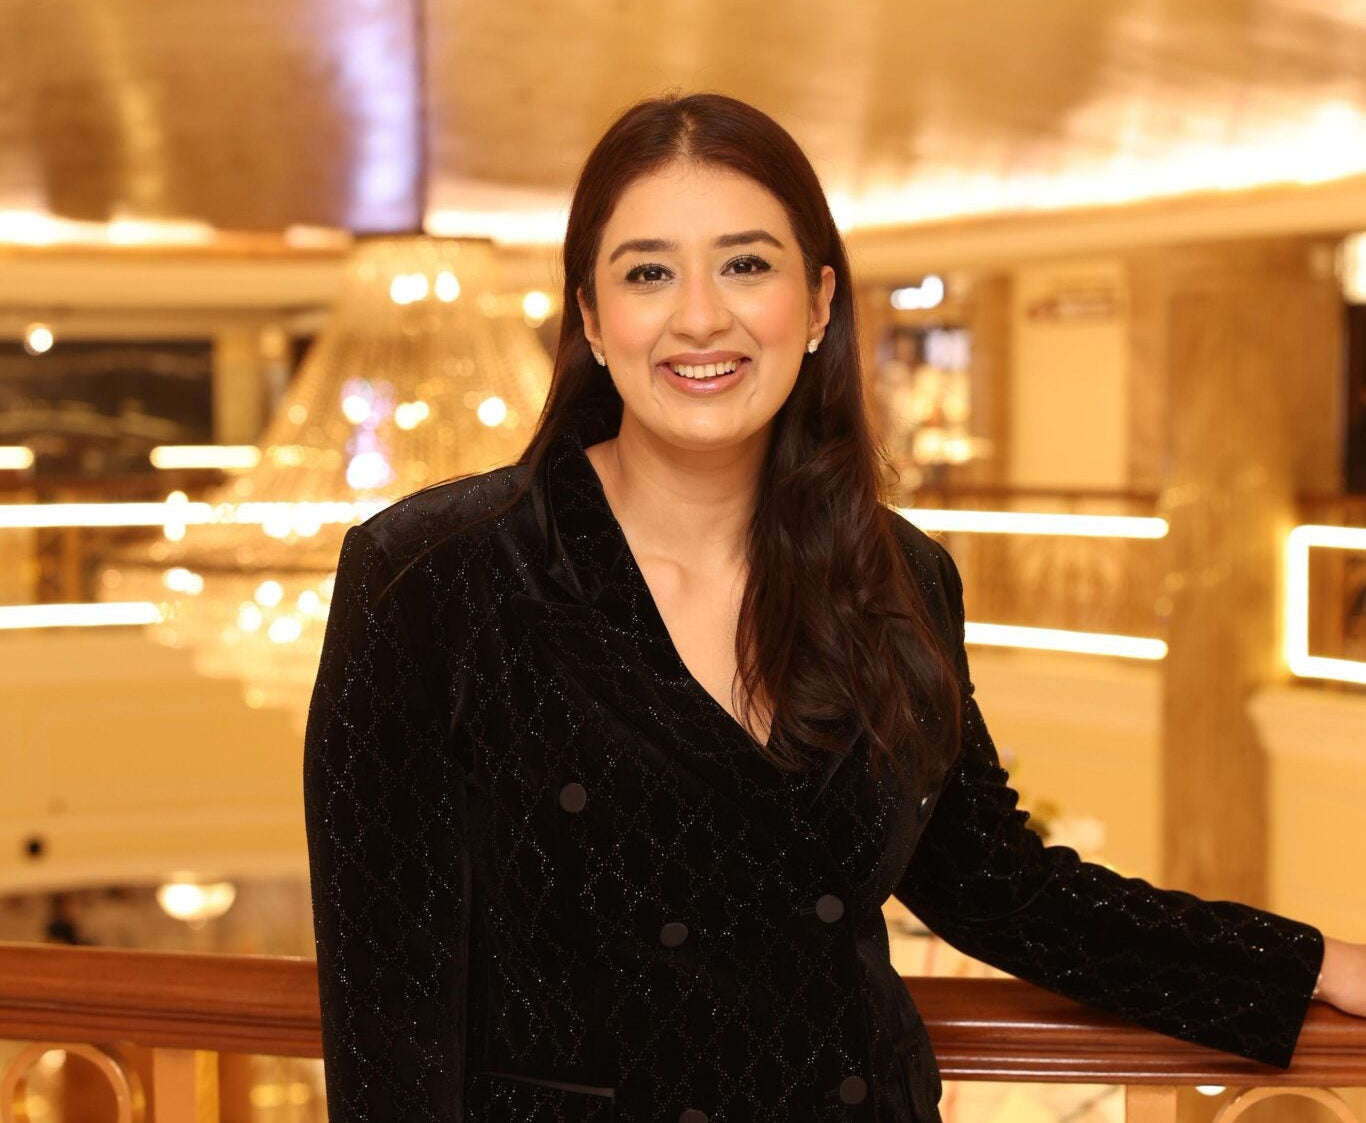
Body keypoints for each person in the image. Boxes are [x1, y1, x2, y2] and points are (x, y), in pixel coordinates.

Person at [303, 92, 1366, 1123]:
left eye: (746, 264)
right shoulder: (432, 575)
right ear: (590, 315)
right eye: (649, 272)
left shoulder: (900, 577)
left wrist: (1309, 964)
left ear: (817, 304)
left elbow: (1002, 887)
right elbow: (388, 1012)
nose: (700, 316)